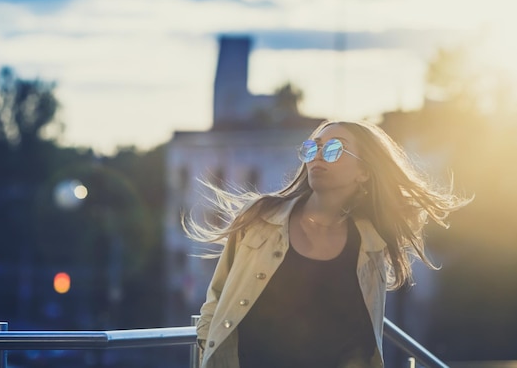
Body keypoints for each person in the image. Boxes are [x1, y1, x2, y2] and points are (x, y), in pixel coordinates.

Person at [184, 119, 471, 368]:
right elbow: (217, 296)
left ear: (364, 172)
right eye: (313, 147)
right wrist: (207, 345)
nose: (318, 156)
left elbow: (360, 340)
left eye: (334, 149)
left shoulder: (370, 245)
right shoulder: (261, 218)